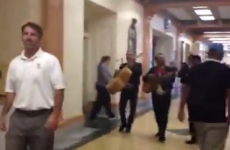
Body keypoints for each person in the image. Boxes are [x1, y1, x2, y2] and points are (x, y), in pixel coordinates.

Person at [0, 22, 65, 150]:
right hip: (18, 118)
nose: (28, 37)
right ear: (22, 37)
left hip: (42, 118)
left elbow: (59, 90)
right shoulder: (14, 63)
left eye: (33, 34)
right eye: (25, 34)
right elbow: (10, 92)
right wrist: (3, 115)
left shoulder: (50, 61)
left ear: (39, 38)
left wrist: (56, 115)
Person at [178, 43, 230, 150]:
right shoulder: (225, 71)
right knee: (214, 147)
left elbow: (186, 89)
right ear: (221, 54)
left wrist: (181, 109)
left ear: (208, 53)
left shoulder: (194, 69)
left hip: (197, 115)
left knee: (203, 144)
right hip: (216, 116)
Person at [143, 53, 176, 142]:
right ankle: (159, 128)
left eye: (162, 58)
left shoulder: (170, 69)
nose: (161, 60)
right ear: (156, 60)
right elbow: (145, 78)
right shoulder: (153, 70)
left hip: (166, 94)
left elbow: (172, 78)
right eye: (158, 59)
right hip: (155, 94)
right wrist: (150, 77)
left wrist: (161, 78)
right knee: (157, 113)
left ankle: (163, 132)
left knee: (164, 113)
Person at [118, 51, 142, 133]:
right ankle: (123, 123)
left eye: (130, 55)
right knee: (121, 108)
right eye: (127, 55)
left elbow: (138, 73)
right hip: (124, 89)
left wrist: (131, 66)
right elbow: (120, 77)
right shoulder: (123, 65)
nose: (128, 56)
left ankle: (129, 124)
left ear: (134, 56)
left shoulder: (138, 65)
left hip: (133, 90)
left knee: (132, 108)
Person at [180, 55, 201, 145]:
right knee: (192, 118)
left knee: (198, 119)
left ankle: (197, 136)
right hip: (192, 98)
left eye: (194, 62)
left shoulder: (202, 72)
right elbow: (184, 82)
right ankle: (194, 136)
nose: (193, 63)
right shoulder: (190, 71)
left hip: (199, 98)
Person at [89, 56, 115, 120]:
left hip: (103, 86)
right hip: (102, 86)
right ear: (106, 60)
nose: (109, 62)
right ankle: (110, 115)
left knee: (100, 102)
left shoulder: (105, 67)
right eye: (109, 60)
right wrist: (110, 81)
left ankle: (93, 115)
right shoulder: (103, 66)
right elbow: (104, 75)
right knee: (106, 101)